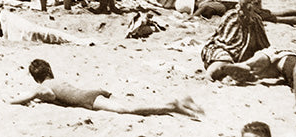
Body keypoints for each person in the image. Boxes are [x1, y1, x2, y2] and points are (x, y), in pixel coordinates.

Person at [10, 58, 202, 118]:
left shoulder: (43, 88)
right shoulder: (55, 81)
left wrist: (10, 100)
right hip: (91, 93)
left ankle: (173, 105)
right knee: (129, 106)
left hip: (88, 100)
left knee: (128, 110)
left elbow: (23, 98)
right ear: (50, 70)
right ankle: (173, 104)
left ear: (36, 78)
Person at [202, 0, 271, 81]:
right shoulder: (232, 16)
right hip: (223, 49)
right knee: (224, 59)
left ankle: (238, 69)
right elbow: (222, 41)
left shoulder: (257, 20)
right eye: (256, 4)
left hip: (243, 56)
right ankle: (210, 74)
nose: (259, 8)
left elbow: (264, 44)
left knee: (264, 57)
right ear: (248, 6)